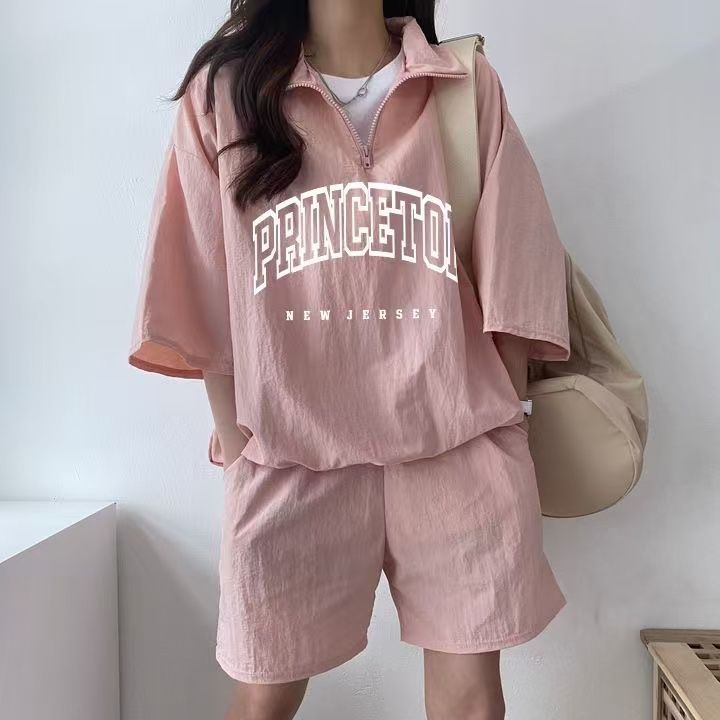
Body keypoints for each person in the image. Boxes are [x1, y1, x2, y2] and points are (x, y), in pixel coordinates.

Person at [128, 1, 571, 718]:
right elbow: (197, 277)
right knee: (263, 695)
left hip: (457, 449)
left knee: (471, 704)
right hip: (289, 455)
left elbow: (517, 264)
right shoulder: (224, 94)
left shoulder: (462, 82)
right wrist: (241, 443)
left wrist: (506, 416)